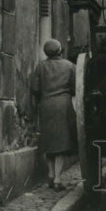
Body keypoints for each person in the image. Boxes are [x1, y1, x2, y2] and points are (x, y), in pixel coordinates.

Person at [30, 39, 76, 191]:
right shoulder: (69, 66)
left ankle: (50, 174)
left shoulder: (40, 66)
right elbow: (75, 87)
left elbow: (35, 88)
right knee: (62, 143)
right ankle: (57, 179)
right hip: (63, 106)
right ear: (60, 50)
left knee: (49, 141)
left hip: (46, 105)